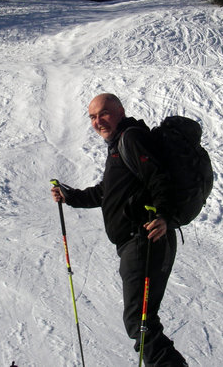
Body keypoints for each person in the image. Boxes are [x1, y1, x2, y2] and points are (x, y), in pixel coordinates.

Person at [51, 93, 188, 366]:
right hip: (135, 242)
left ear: (120, 112)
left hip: (144, 238)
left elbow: (160, 177)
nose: (98, 121)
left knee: (140, 320)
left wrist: (163, 214)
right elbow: (108, 192)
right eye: (92, 116)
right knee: (142, 319)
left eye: (104, 113)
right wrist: (71, 197)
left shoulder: (131, 139)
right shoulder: (119, 145)